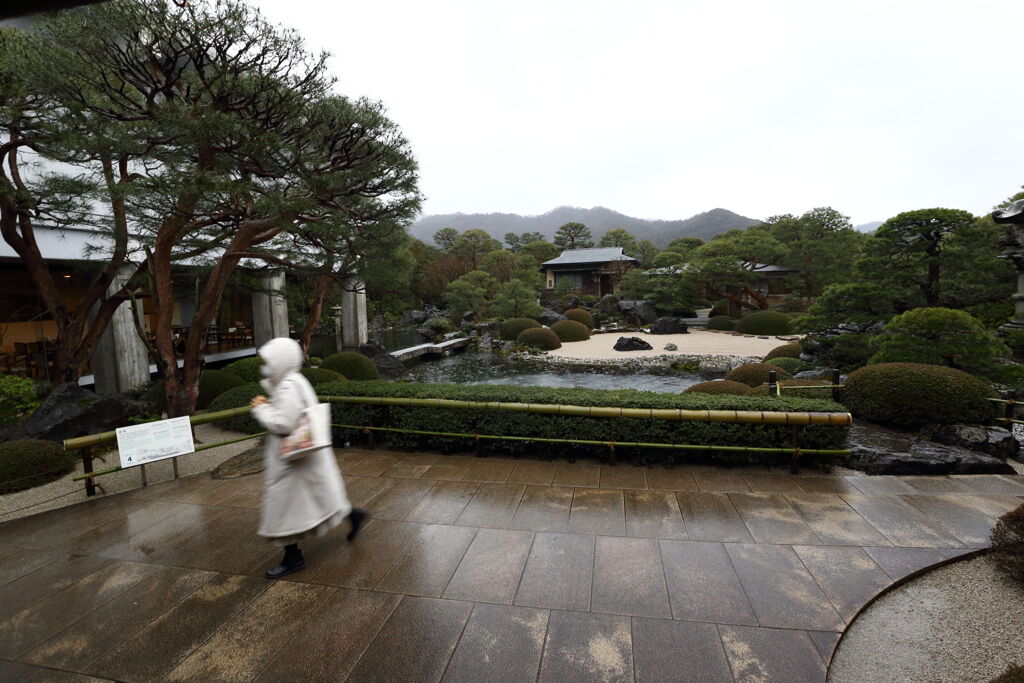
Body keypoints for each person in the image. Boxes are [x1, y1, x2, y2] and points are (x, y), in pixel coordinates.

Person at [250, 337, 366, 579]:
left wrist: (261, 408)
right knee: (318, 498)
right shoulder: (295, 380)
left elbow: (283, 422)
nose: (265, 366)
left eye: (269, 361)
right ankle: (352, 514)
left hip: (292, 461)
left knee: (283, 510)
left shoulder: (287, 386)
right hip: (305, 458)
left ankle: (293, 557)